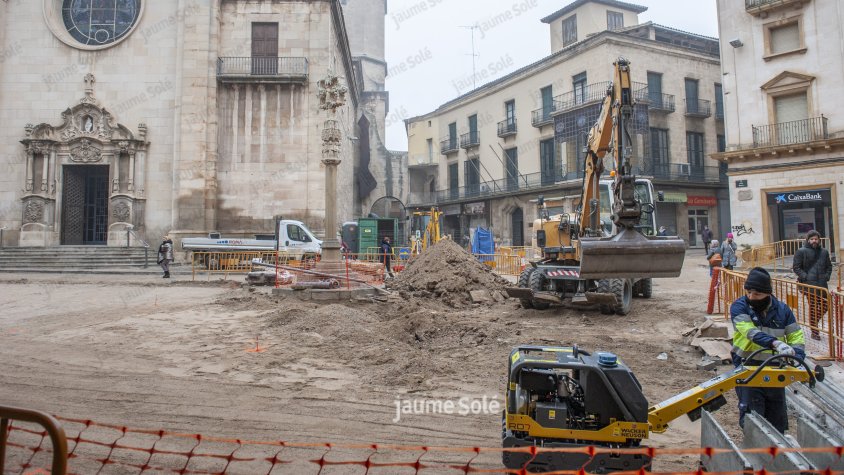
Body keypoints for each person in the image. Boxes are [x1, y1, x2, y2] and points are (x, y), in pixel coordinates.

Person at [730, 267, 805, 433]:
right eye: (748, 292)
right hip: (747, 369)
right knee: (752, 418)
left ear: (767, 293)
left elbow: (796, 336)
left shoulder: (783, 310)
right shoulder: (739, 307)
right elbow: (750, 332)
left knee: (777, 417)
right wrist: (776, 344)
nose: (751, 297)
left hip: (775, 369)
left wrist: (797, 355)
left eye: (756, 294)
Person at [792, 230, 833, 340]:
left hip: (822, 285)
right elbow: (796, 267)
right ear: (808, 240)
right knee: (813, 308)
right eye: (812, 239)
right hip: (809, 286)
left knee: (825, 306)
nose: (814, 241)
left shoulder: (824, 252)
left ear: (819, 240)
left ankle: (814, 323)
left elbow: (829, 266)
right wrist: (805, 277)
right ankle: (814, 331)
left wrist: (827, 276)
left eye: (816, 239)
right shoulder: (801, 251)